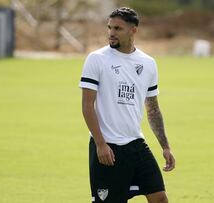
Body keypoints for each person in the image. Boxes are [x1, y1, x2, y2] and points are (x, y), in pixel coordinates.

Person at [79, 7, 175, 203]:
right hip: (108, 147)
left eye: (118, 28)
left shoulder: (148, 63)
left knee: (160, 198)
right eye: (109, 27)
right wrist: (100, 144)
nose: (111, 33)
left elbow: (153, 108)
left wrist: (165, 146)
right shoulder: (97, 59)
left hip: (136, 145)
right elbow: (87, 105)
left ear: (133, 30)